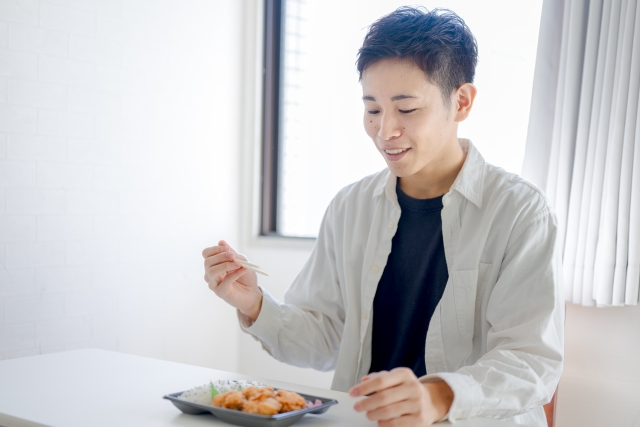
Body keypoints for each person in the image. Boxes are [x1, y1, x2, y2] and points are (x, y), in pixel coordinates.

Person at [202, 6, 563, 427]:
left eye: (406, 109)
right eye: (372, 110)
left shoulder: (520, 212)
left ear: (461, 101)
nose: (384, 130)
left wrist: (439, 397)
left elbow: (530, 362)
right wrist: (255, 304)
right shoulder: (350, 207)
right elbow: (326, 339)